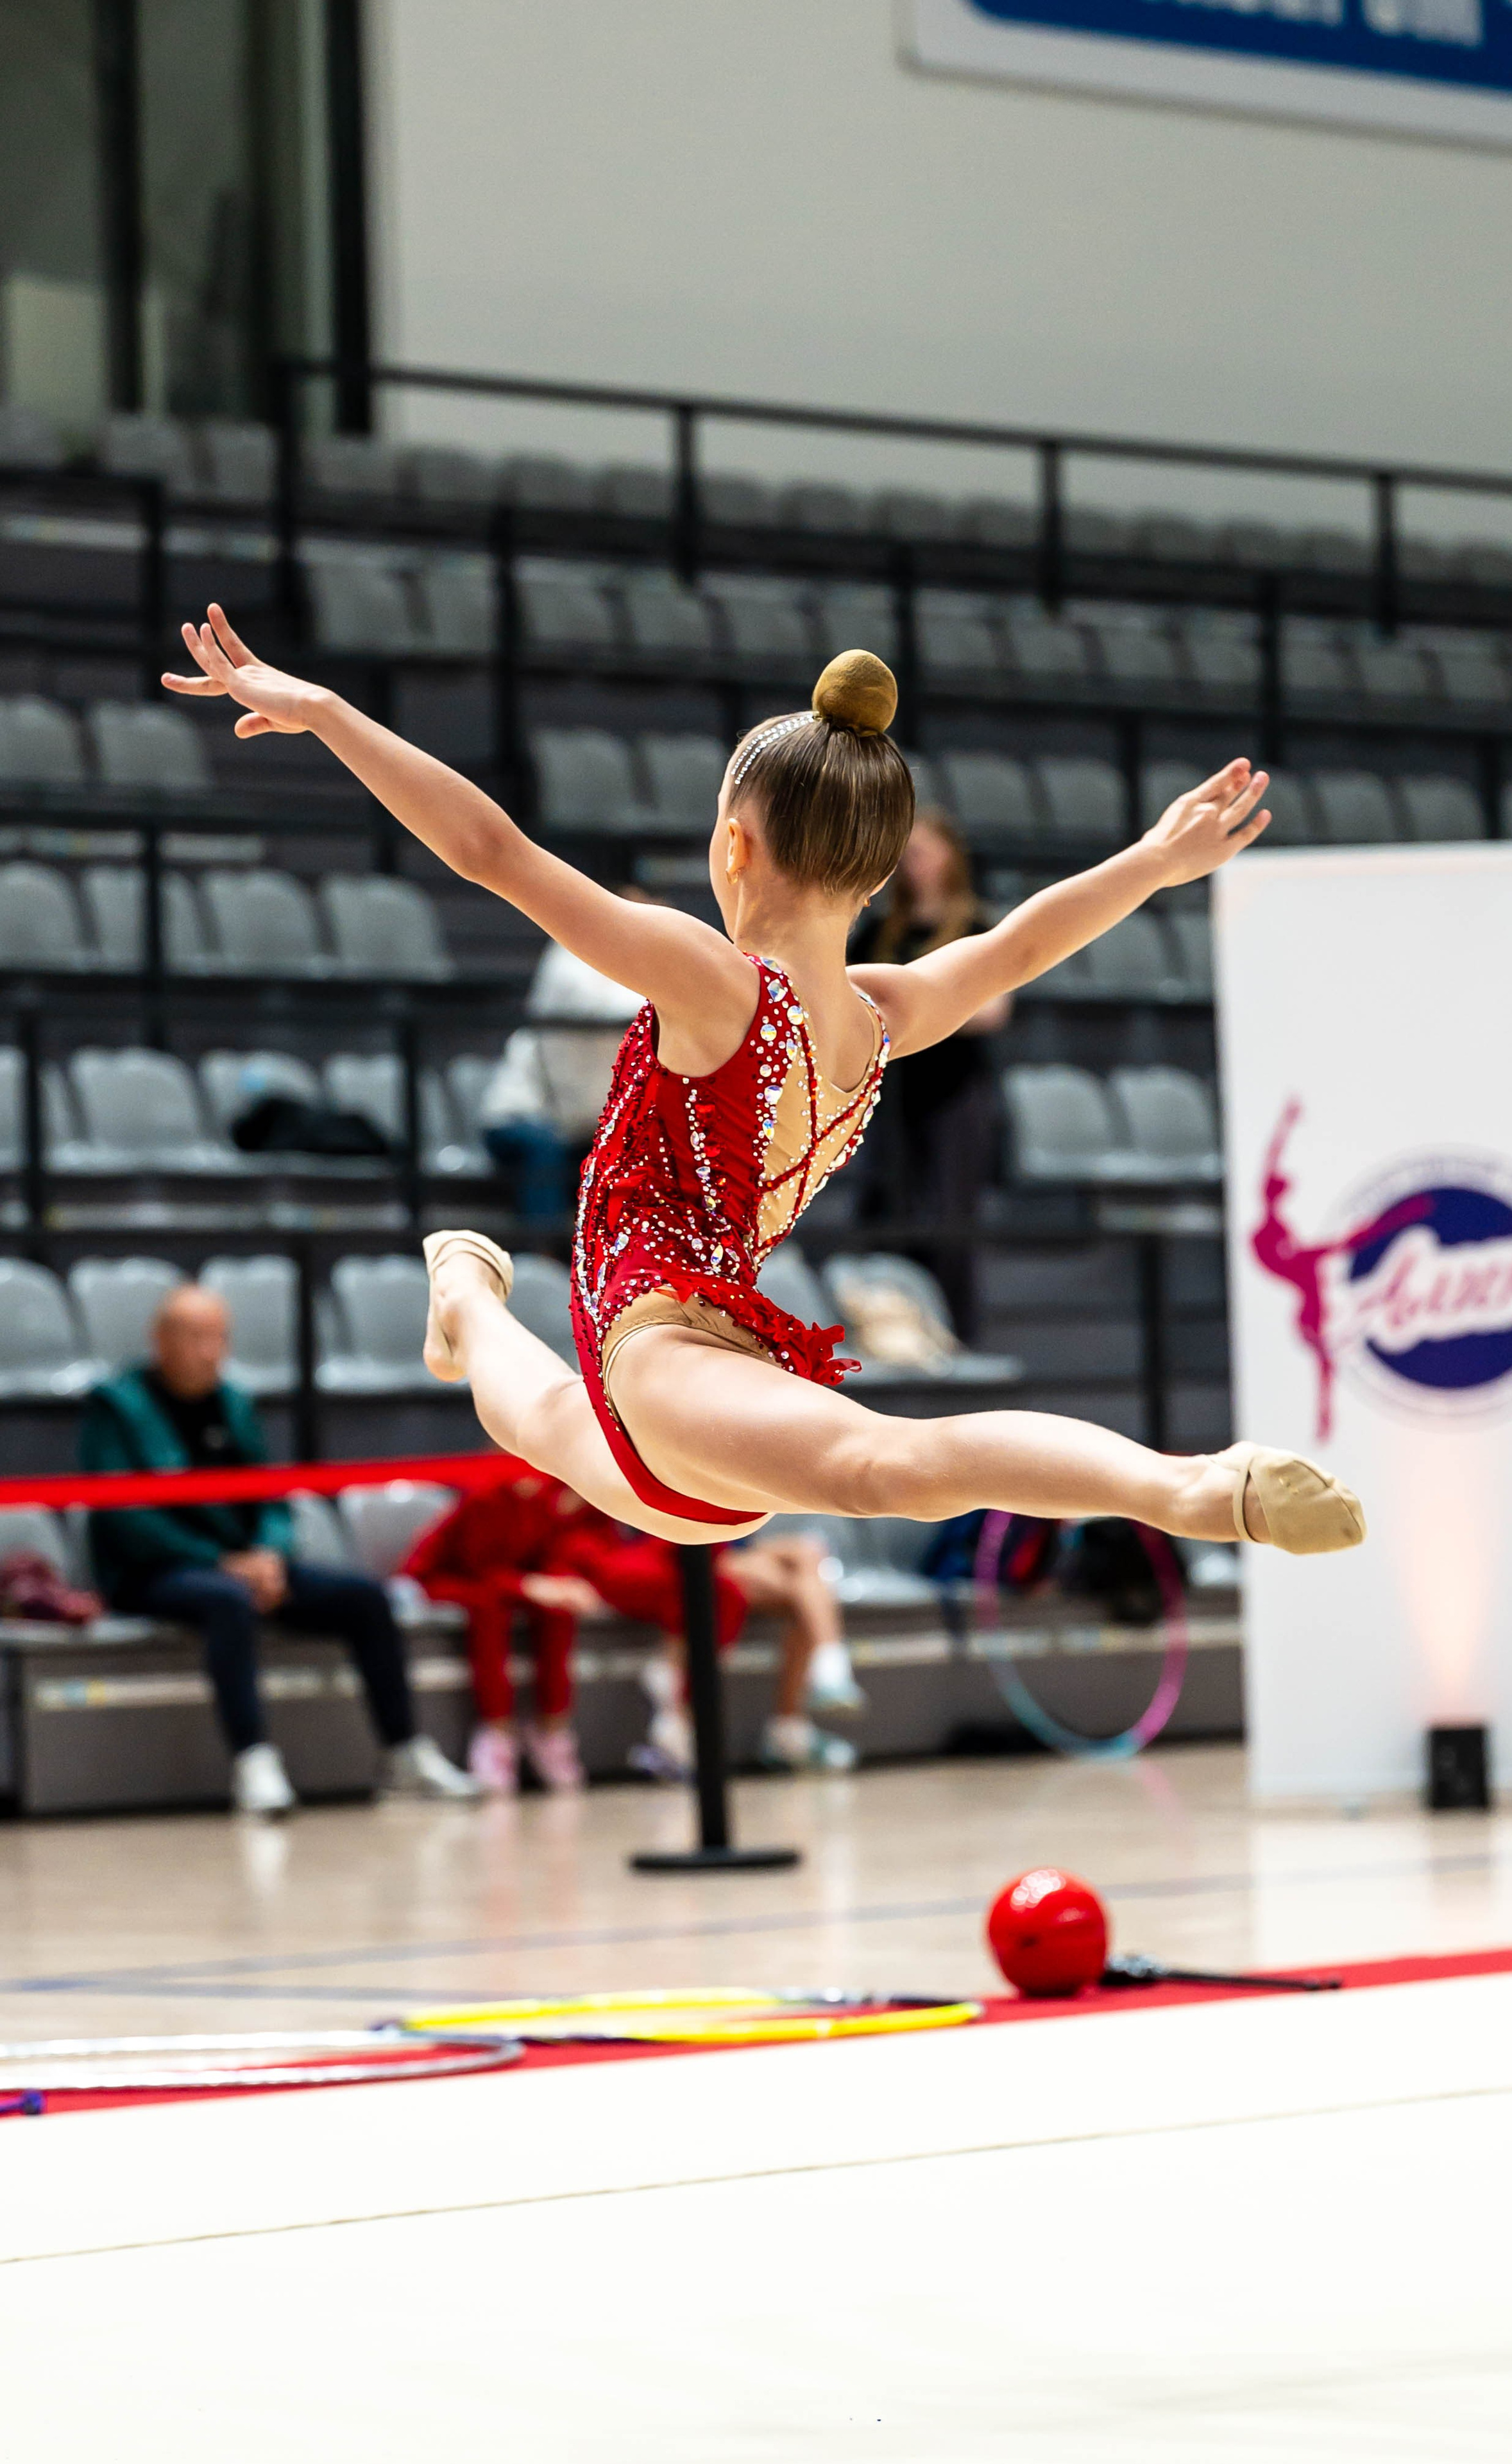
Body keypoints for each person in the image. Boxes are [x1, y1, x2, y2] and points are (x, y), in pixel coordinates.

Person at [163, 607, 1365, 1562]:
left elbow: (493, 854)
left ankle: (466, 1291)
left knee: (538, 1422)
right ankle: (1194, 1487)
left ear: (732, 845)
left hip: (698, 1366)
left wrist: (326, 712)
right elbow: (1021, 944)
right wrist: (1156, 861)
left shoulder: (716, 979)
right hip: (665, 1353)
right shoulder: (879, 1018)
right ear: (880, 866)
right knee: (875, 1467)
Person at [80, 1284, 479, 1816]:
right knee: (226, 1600)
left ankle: (403, 1754)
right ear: (160, 1342)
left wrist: (269, 1554)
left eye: (220, 1338)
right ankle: (254, 1762)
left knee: (366, 1598)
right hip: (154, 1571)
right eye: (196, 1338)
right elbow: (124, 1518)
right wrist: (222, 1563)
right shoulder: (117, 1407)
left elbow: (270, 1498)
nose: (211, 1351)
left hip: (247, 1567)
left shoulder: (234, 1401)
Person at [403, 1466, 860, 1790]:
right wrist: (539, 1583)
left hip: (664, 1551)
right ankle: (796, 1696)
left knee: (798, 1566)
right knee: (764, 1580)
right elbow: (489, 1561)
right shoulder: (510, 1489)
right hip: (616, 1564)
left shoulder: (591, 1483)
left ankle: (792, 1694)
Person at [855, 806, 1008, 1340]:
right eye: (905, 857)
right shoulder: (879, 929)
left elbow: (993, 1011)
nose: (911, 866)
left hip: (953, 1089)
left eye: (920, 853)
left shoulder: (974, 926)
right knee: (887, 1210)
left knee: (950, 1217)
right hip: (890, 1090)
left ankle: (959, 1337)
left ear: (948, 855)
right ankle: (896, 1334)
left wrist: (912, 1012)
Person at [480, 941, 642, 1222]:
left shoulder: (628, 964)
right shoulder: (568, 953)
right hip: (520, 1116)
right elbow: (595, 1006)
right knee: (543, 1146)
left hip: (576, 1121)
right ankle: (543, 1252)